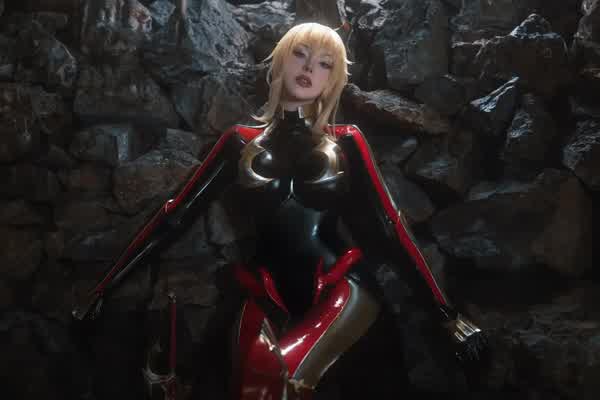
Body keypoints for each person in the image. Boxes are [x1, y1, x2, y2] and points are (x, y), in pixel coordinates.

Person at [73, 22, 485, 400]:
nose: (309, 68)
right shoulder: (239, 140)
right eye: (300, 54)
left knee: (278, 379)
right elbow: (174, 215)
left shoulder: (347, 141)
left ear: (333, 80)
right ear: (281, 61)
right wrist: (104, 287)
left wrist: (447, 314)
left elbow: (390, 225)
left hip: (340, 287)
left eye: (324, 64)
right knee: (250, 388)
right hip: (264, 290)